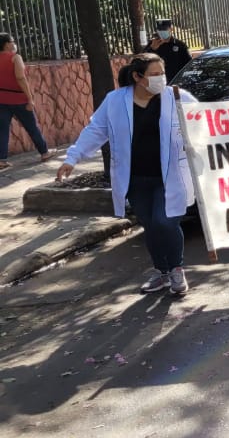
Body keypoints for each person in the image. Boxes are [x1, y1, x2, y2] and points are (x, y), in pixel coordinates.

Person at [56, 53, 194, 296]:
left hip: (169, 177)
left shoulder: (176, 97)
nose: (161, 79)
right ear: (138, 77)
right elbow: (96, 130)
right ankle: (161, 272)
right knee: (150, 225)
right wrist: (72, 158)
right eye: (154, 75)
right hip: (135, 179)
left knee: (165, 221)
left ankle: (177, 269)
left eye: (162, 73)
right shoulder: (116, 101)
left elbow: (205, 121)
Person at [0, 32, 52, 169]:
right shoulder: (15, 58)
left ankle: (2, 159)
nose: (14, 43)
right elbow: (20, 78)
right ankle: (44, 152)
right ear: (6, 44)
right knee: (32, 127)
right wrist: (30, 98)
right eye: (12, 41)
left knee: (2, 130)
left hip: (2, 99)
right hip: (19, 99)